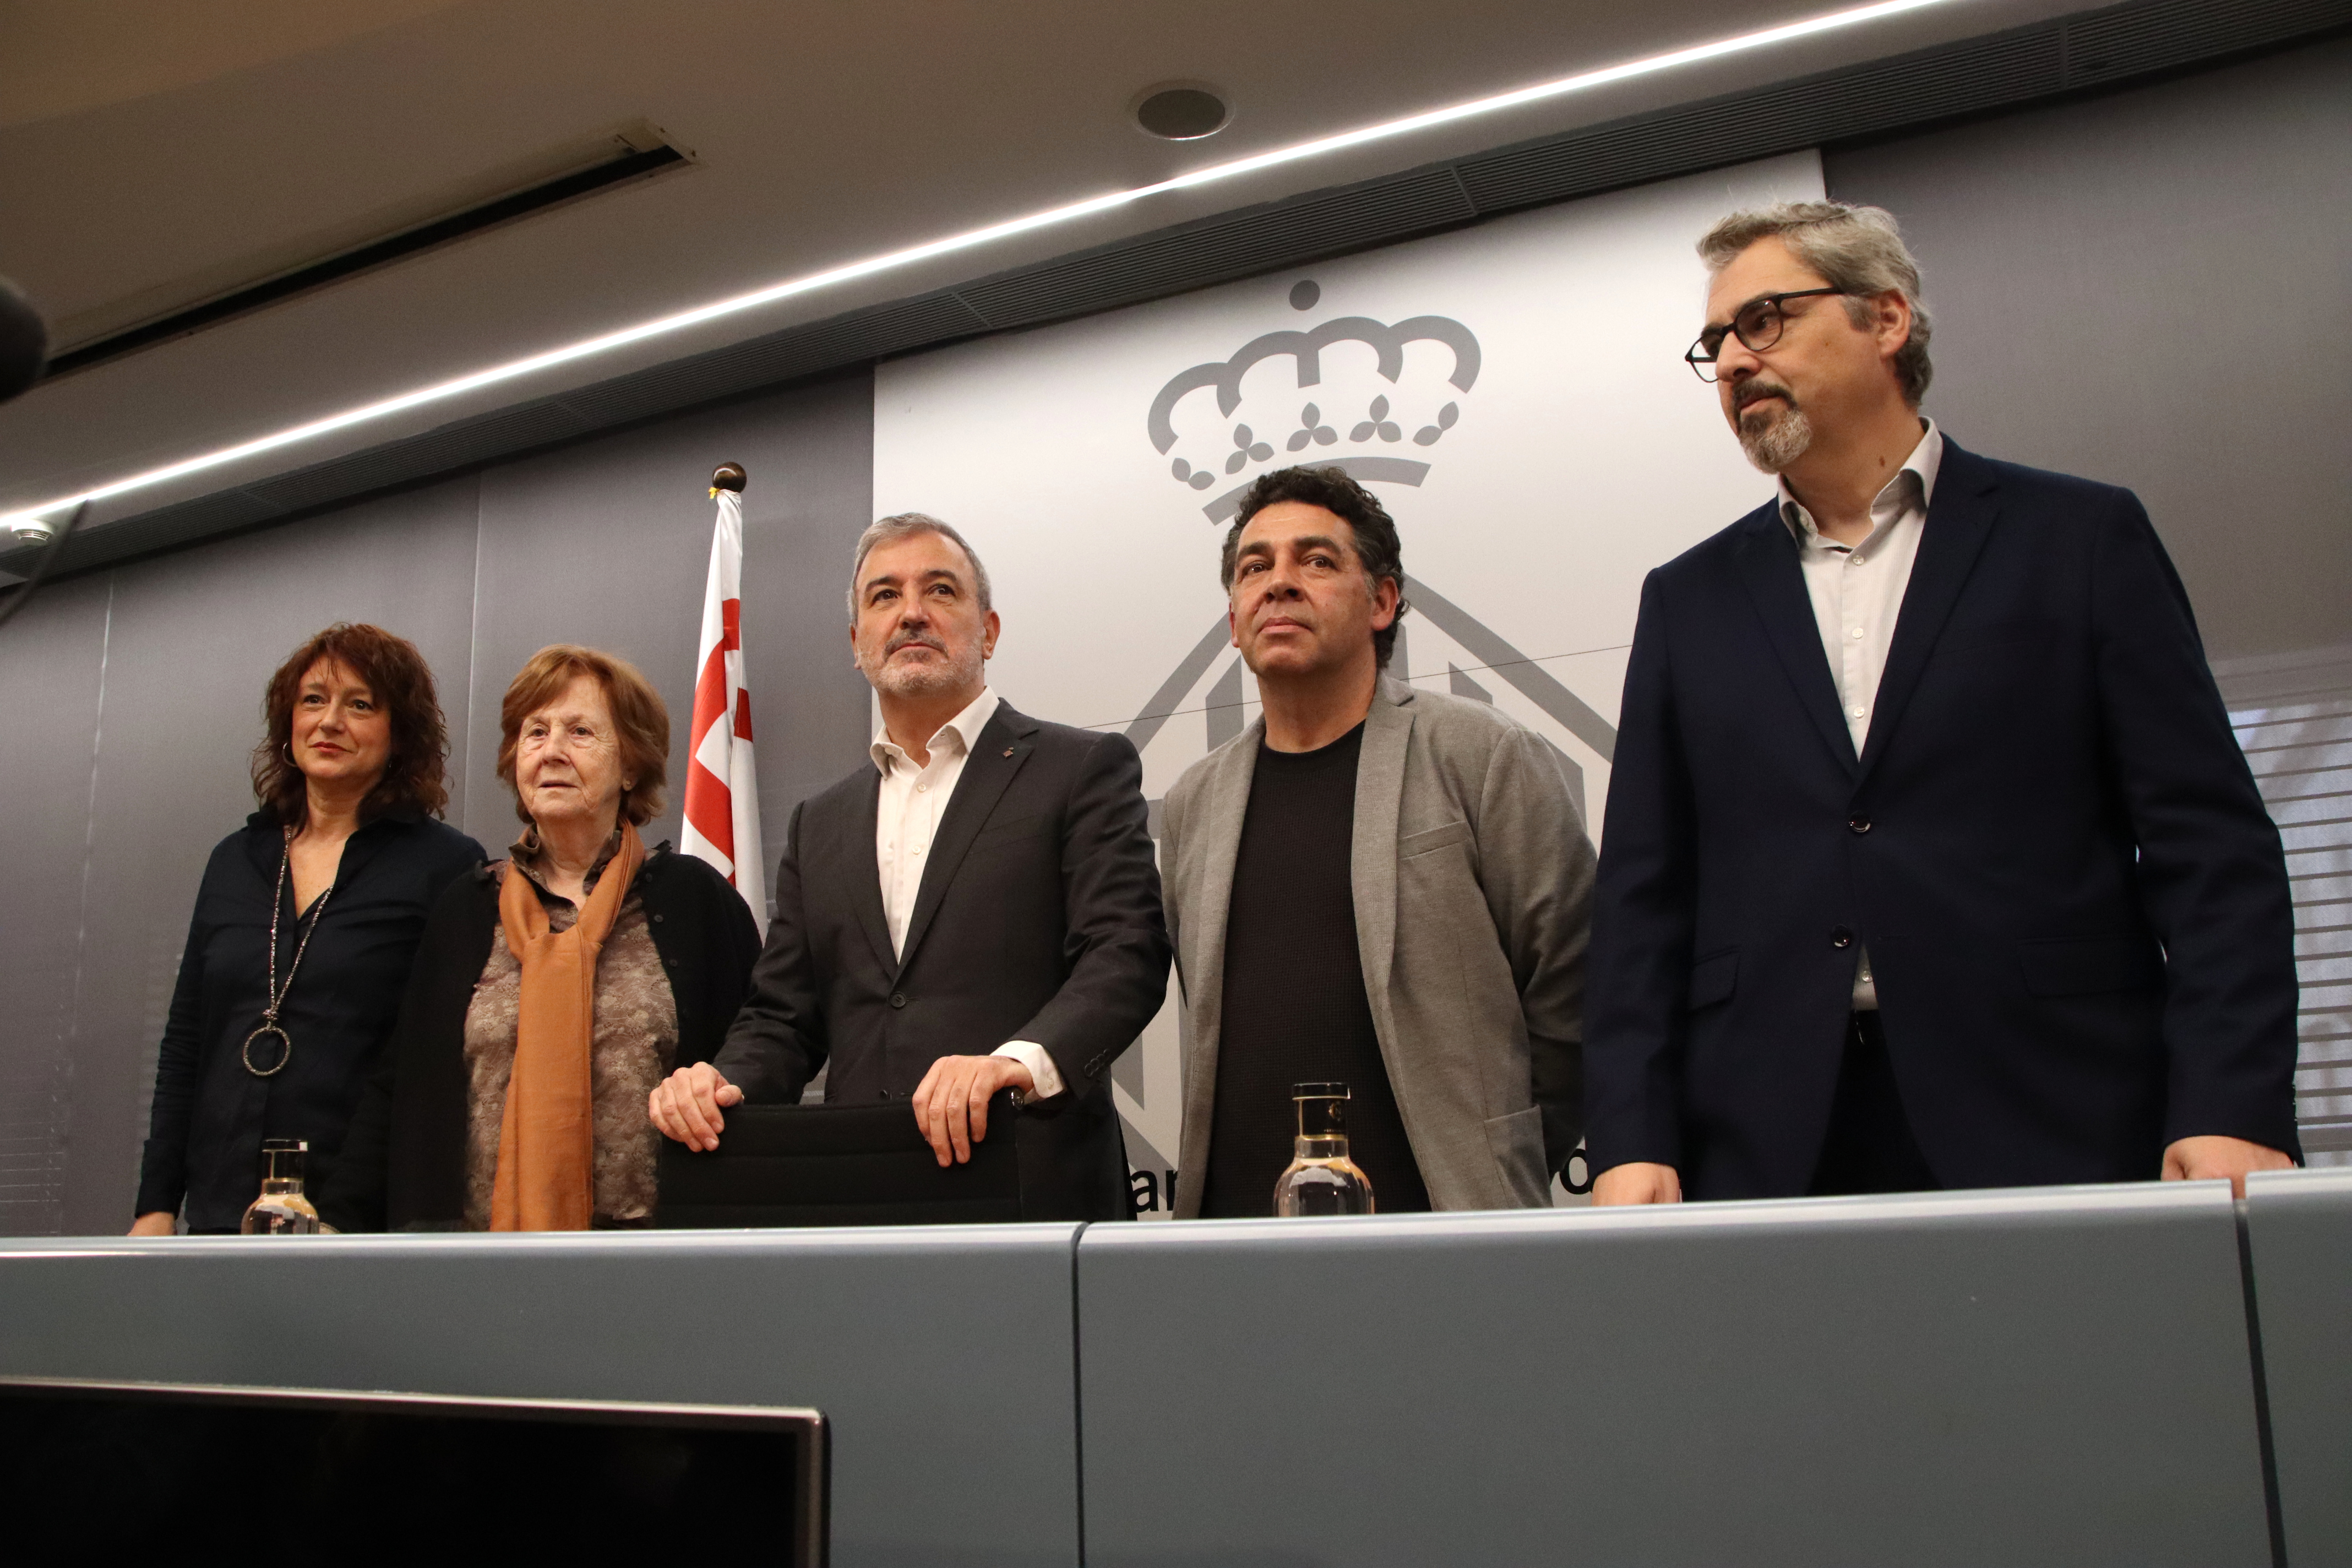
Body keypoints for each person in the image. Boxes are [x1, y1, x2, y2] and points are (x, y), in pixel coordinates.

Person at [1586, 201, 2300, 1206]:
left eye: (1764, 320)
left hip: (2055, 1108)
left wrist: (2232, 1100)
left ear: (1885, 320)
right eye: (1714, 343)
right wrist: (1628, 1133)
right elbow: (1641, 901)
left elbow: (2209, 848)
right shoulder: (1686, 597)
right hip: (1767, 1133)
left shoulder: (2079, 538)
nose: (1735, 360)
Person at [649, 514, 1168, 1219]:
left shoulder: (1080, 769)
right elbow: (784, 1015)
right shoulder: (821, 820)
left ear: (988, 631)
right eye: (884, 596)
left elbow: (1125, 955)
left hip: (1033, 1189)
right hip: (860, 1199)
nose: (912, 613)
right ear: (856, 644)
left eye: (940, 590)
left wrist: (1017, 1061)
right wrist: (722, 1081)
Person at [1159, 466, 1594, 1216]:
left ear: (1383, 601)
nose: (1280, 583)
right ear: (1234, 621)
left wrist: (1485, 1151)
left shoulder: (1483, 756)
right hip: (1234, 1243)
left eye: (1317, 561)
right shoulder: (1192, 804)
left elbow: (1577, 993)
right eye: (1254, 568)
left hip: (1445, 1236)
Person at [322, 646, 760, 1231]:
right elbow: (402, 1082)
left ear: (630, 765)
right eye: (535, 733)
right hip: (477, 1258)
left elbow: (756, 1059)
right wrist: (336, 1218)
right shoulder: (466, 909)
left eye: (580, 732)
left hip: (657, 1262)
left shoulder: (693, 901)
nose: (551, 751)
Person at [132, 624, 483, 1235]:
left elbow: (429, 1062)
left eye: (360, 704)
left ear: (399, 734)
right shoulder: (234, 860)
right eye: (313, 700)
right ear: (287, 725)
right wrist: (156, 1203)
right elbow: (188, 1039)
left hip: (359, 1218)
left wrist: (348, 1212)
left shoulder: (445, 866)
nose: (329, 721)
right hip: (220, 1209)